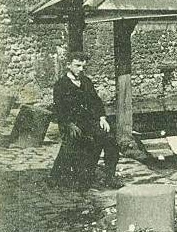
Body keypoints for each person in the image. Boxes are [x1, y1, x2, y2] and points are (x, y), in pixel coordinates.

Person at [49, 52, 123, 189]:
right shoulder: (61, 85)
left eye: (83, 66)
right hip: (71, 124)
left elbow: (96, 101)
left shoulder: (86, 82)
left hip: (89, 122)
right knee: (80, 142)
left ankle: (110, 176)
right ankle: (70, 174)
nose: (81, 69)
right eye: (77, 66)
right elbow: (59, 109)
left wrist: (102, 118)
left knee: (110, 139)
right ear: (68, 65)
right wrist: (69, 124)